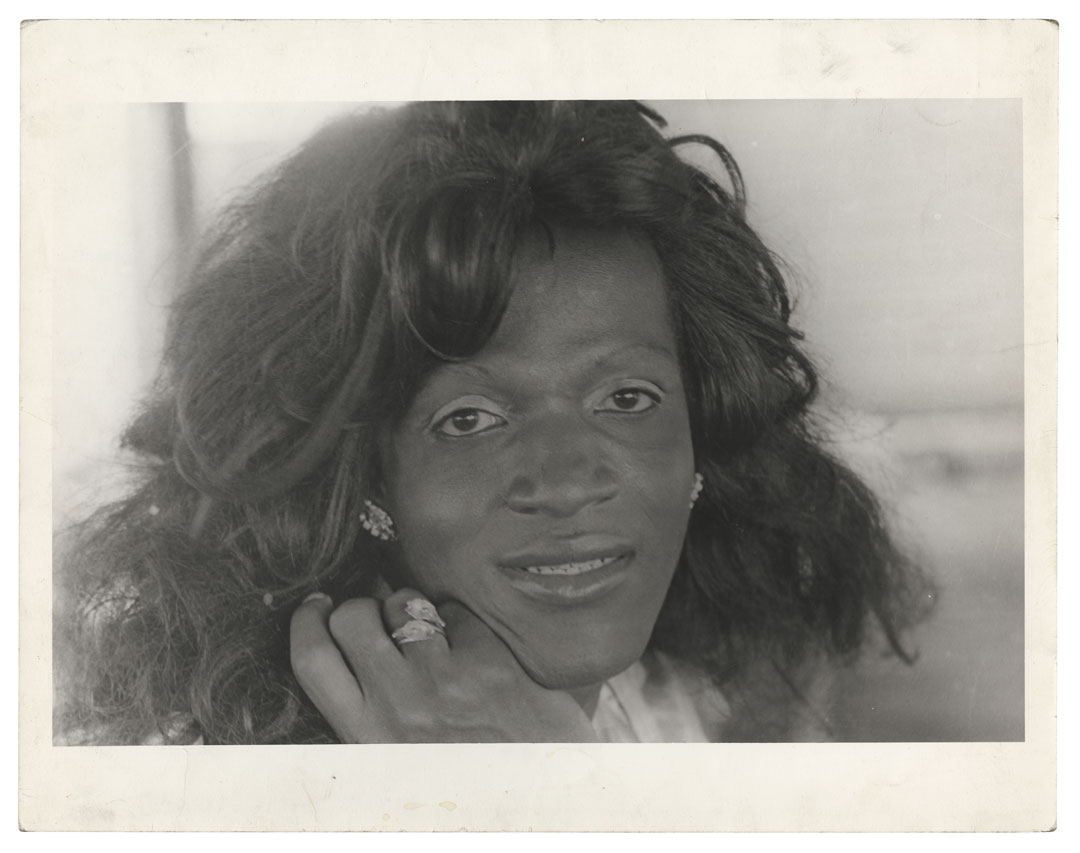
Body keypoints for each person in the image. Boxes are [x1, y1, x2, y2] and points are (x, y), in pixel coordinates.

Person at [53, 101, 931, 745]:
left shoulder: (720, 698)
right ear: (363, 475)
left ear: (703, 435)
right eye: (468, 417)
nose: (567, 478)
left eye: (627, 398)